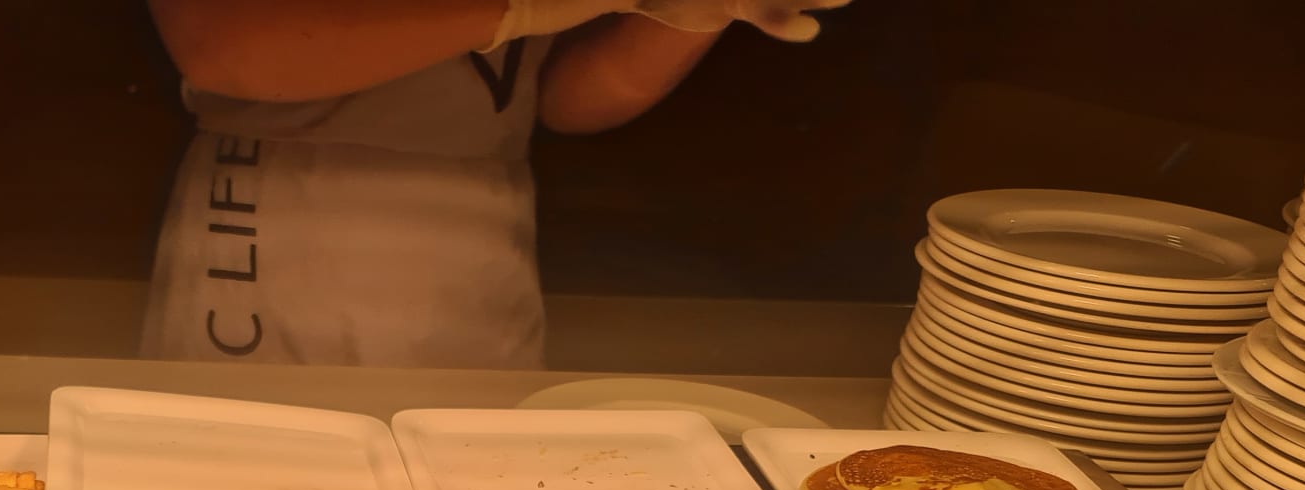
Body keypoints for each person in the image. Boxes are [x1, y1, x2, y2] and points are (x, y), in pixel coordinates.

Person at [141, 0, 850, 368]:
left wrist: (693, 11)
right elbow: (229, 51)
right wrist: (524, 9)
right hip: (283, 201)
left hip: (487, 219)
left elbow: (565, 102)